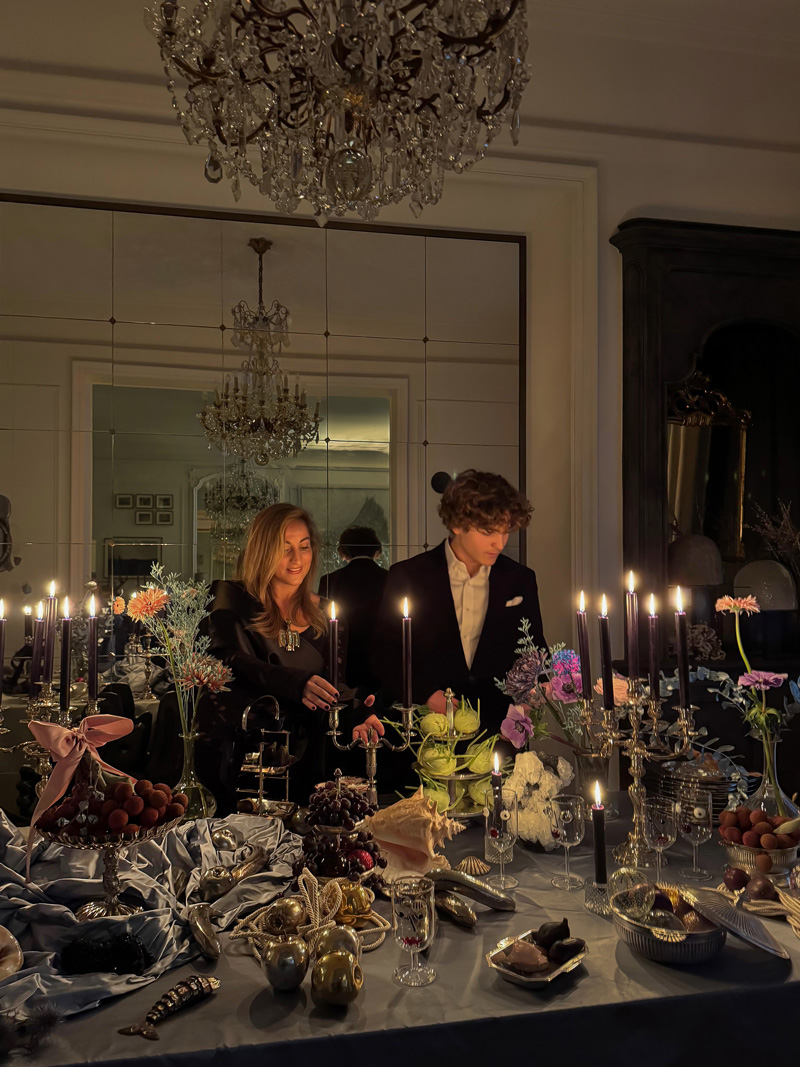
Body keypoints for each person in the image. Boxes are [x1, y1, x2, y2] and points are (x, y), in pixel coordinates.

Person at [195, 503, 382, 813]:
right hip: (239, 764)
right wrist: (297, 683)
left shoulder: (326, 614)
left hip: (305, 762)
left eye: (305, 547)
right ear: (263, 551)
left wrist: (356, 712)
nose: (298, 559)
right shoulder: (229, 598)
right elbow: (226, 662)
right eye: (285, 549)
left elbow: (334, 685)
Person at [371, 469, 546, 737]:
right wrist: (425, 694)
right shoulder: (408, 576)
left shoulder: (520, 579)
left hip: (497, 729)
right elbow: (384, 653)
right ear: (456, 524)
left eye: (505, 530)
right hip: (424, 728)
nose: (499, 543)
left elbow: (535, 651)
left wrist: (533, 698)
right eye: (488, 531)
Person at [318, 526, 388, 692]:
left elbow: (323, 624)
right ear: (375, 549)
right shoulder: (390, 578)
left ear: (344, 551)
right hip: (383, 659)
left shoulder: (330, 580)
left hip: (343, 661)